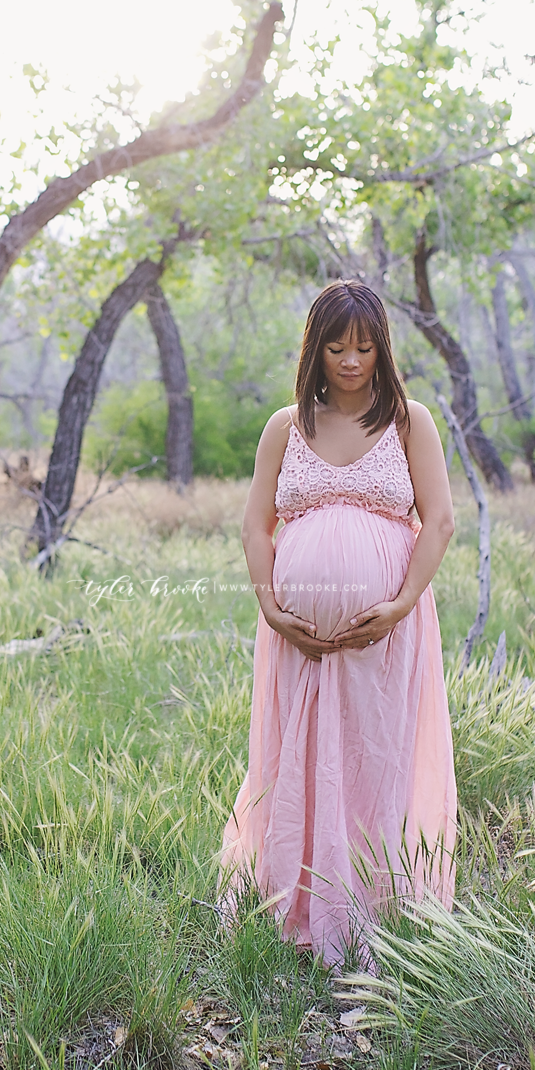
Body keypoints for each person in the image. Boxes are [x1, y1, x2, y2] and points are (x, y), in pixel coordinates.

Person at [219, 279, 459, 970]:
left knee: (372, 758)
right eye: (335, 346)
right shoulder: (286, 425)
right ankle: (298, 904)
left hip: (386, 631)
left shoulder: (410, 421)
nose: (350, 360)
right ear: (313, 349)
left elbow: (438, 522)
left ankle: (374, 912)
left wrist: (400, 602)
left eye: (362, 346)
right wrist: (272, 606)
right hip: (298, 635)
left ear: (381, 345)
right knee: (302, 757)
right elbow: (255, 523)